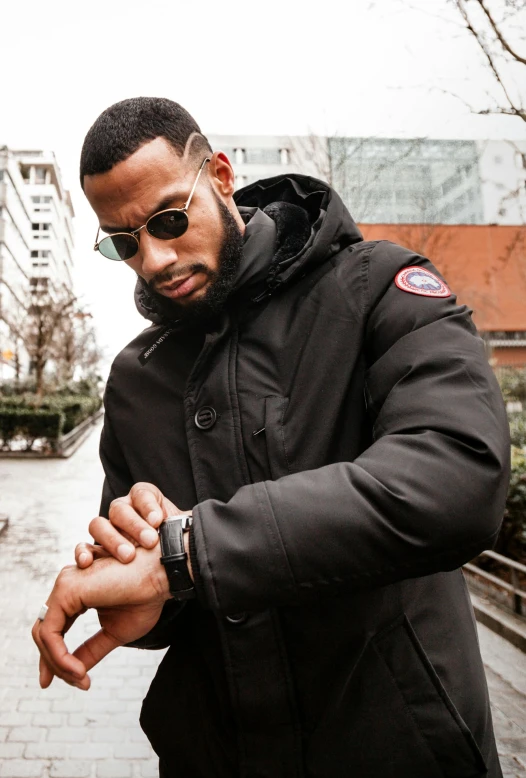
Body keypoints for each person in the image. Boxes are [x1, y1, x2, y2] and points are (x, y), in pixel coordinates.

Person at [32, 97, 511, 778]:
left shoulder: (377, 287)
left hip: (399, 751)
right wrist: (140, 595)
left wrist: (189, 552)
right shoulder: (135, 379)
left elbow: (459, 478)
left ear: (221, 176)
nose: (156, 259)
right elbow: (163, 578)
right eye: (124, 242)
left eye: (170, 220)